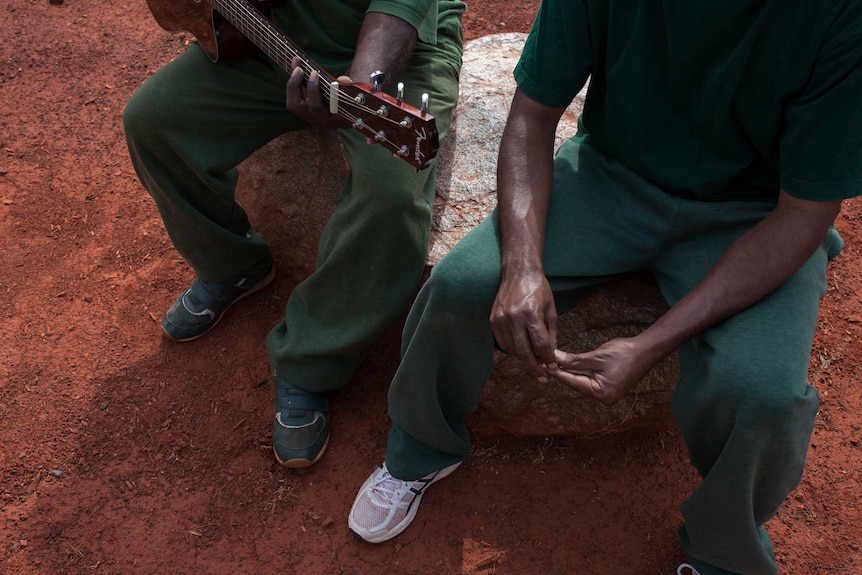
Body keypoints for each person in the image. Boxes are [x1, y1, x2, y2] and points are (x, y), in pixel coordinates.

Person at [346, 1, 862, 574]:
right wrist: (521, 268)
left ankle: (722, 552)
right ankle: (421, 445)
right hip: (610, 176)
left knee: (764, 393)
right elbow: (531, 119)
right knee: (461, 284)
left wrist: (650, 344)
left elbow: (804, 213)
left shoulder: (839, 18)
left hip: (753, 216)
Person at [123, 1, 465, 468]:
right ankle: (233, 267)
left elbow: (397, 7)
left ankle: (312, 360)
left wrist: (360, 89)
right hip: (273, 31)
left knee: (390, 197)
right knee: (152, 121)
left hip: (400, 52)